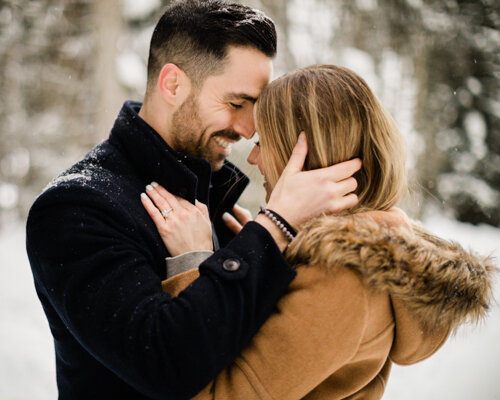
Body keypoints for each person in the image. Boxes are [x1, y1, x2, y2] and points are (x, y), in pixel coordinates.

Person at [25, 2, 362, 399]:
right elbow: (166, 364)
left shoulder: (216, 201)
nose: (249, 128)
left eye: (256, 107)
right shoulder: (75, 209)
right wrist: (274, 227)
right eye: (237, 104)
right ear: (172, 84)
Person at [149, 65, 497, 399]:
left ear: (304, 158)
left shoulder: (341, 277)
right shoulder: (350, 258)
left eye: (264, 142)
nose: (253, 159)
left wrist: (194, 267)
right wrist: (256, 264)